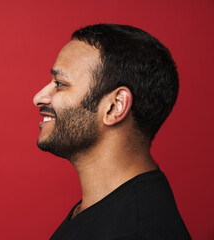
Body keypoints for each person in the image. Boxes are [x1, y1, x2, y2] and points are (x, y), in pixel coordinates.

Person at [33, 24, 191, 240]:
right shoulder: (103, 209)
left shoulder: (137, 232)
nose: (39, 97)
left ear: (115, 106)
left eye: (60, 83)